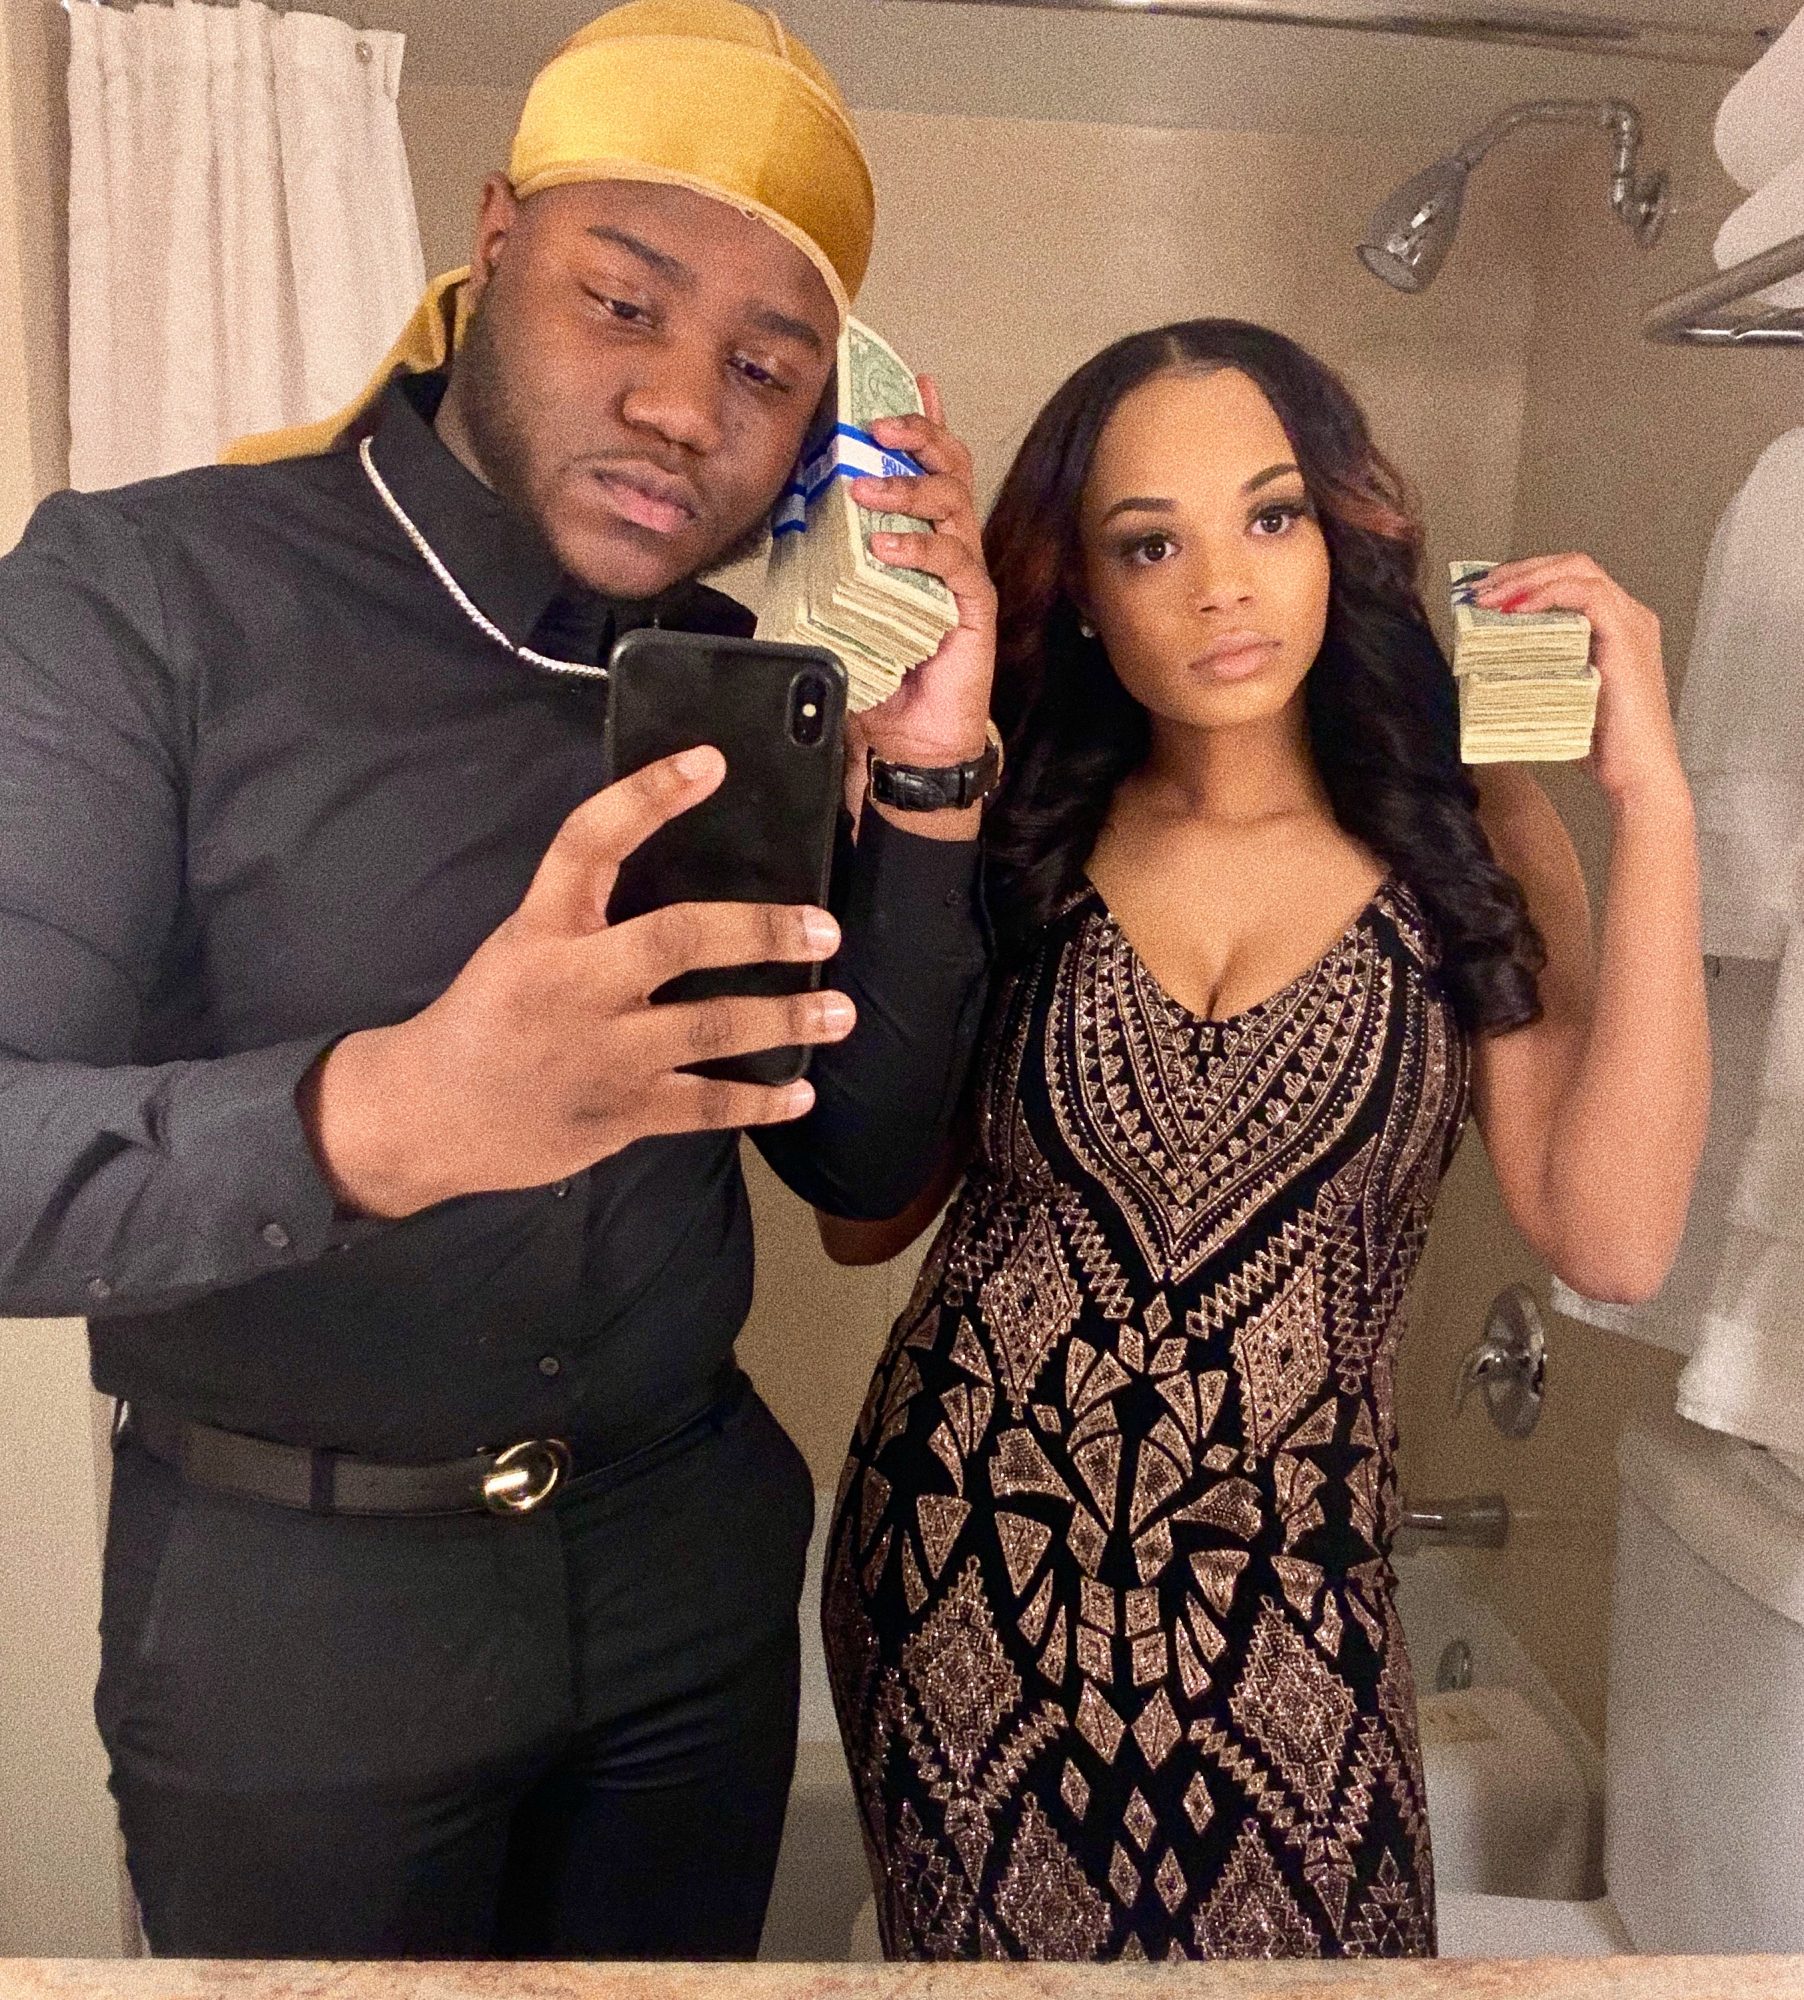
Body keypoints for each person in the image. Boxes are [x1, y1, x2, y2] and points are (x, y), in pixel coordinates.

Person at [0, 0, 1001, 1961]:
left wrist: (934, 765)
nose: (684, 406)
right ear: (493, 239)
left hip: (686, 1586)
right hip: (294, 1625)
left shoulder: (747, 681)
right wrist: (384, 1116)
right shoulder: (145, 595)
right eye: (623, 302)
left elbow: (861, 1159)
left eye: (765, 365)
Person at [817, 319, 1708, 1960]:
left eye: (1272, 516)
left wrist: (1652, 800)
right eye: (1151, 543)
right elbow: (865, 1221)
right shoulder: (1014, 819)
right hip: (957, 1577)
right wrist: (899, 835)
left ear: (1337, 533)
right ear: (1085, 589)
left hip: (1295, 1608)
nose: (1225, 586)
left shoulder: (1468, 824)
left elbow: (1616, 1239)